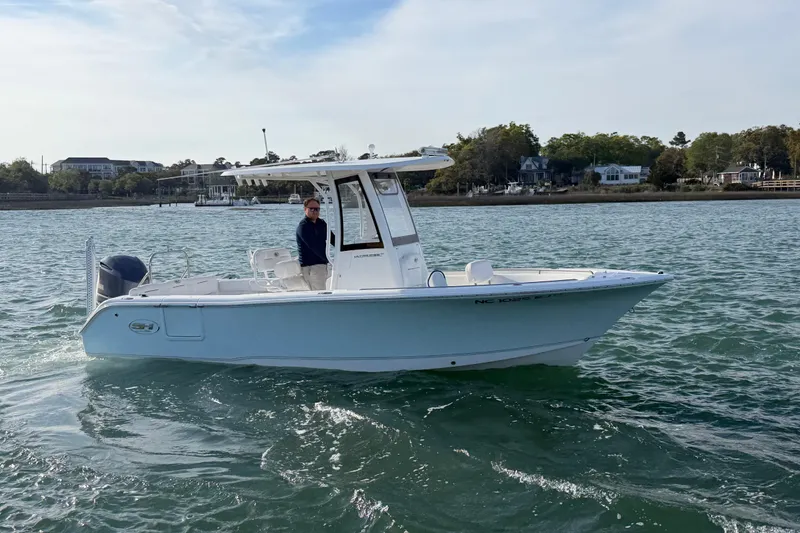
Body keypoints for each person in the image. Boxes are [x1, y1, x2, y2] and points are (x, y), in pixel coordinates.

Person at [296, 197, 332, 290]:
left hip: (321, 265)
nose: (314, 211)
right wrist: (330, 260)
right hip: (311, 266)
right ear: (305, 209)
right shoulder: (303, 226)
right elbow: (313, 246)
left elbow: (332, 238)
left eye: (317, 209)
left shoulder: (321, 223)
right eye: (311, 209)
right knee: (320, 293)